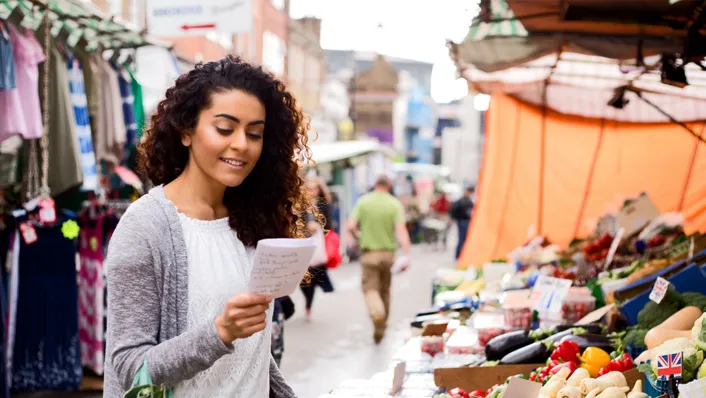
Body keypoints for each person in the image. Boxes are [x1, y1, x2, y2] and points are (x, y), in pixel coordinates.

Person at [104, 55, 311, 397]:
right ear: (186, 131)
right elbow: (130, 369)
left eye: (255, 133)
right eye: (225, 128)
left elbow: (251, 355)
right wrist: (220, 333)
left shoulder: (250, 220)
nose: (242, 144)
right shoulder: (145, 228)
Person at [347, 175, 411, 344]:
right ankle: (381, 326)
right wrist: (406, 254)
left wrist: (359, 236)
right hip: (388, 255)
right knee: (385, 290)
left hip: (369, 254)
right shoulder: (394, 204)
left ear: (375, 184)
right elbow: (401, 230)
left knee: (370, 289)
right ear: (389, 186)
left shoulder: (363, 202)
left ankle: (377, 314)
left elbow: (351, 225)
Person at [299, 177, 334, 318]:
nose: (313, 191)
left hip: (319, 245)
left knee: (313, 277)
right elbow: (295, 224)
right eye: (309, 188)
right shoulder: (300, 205)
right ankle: (308, 299)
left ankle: (309, 303)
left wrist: (318, 227)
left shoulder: (323, 205)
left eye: (315, 188)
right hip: (303, 244)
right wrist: (306, 229)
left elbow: (329, 225)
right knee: (302, 279)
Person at [451, 186, 475, 259]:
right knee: (462, 239)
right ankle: (459, 255)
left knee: (463, 239)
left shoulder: (466, 200)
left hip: (463, 221)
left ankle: (460, 255)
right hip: (463, 221)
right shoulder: (463, 201)